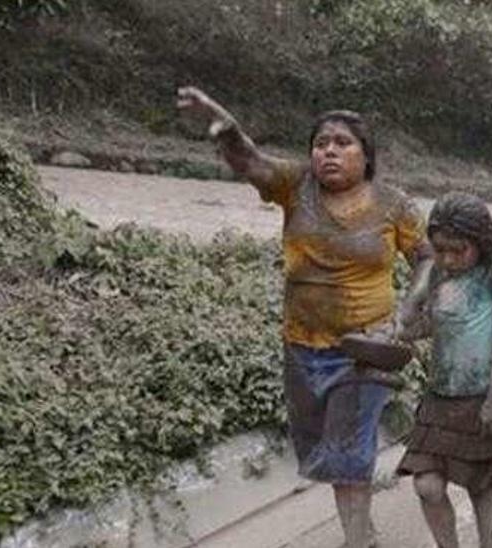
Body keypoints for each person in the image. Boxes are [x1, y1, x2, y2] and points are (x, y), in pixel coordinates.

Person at [175, 87, 433, 547]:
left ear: (366, 156)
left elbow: (428, 259)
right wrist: (223, 126)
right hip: (302, 347)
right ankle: (363, 527)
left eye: (342, 142)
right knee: (326, 451)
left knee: (350, 452)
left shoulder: (393, 204)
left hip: (365, 349)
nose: (328, 151)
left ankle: (358, 541)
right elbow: (251, 162)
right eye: (320, 143)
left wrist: (408, 313)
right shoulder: (295, 186)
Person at [394, 192, 492, 548]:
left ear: (481, 244)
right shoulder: (437, 274)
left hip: (480, 399)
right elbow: (427, 325)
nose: (449, 259)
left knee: (480, 488)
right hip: (439, 400)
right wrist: (408, 317)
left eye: (458, 250)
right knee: (427, 486)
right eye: (440, 249)